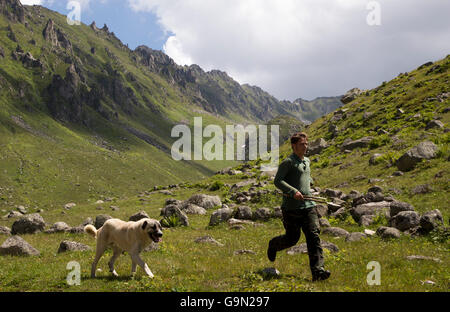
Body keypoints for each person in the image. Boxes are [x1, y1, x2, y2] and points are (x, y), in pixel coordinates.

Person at [267, 132, 330, 281]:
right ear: (294, 146)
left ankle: (318, 272)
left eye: (306, 143)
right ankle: (274, 244)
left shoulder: (307, 161)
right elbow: (278, 181)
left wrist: (310, 183)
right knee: (292, 239)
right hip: (291, 208)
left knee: (313, 236)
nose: (306, 146)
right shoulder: (288, 162)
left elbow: (305, 176)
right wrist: (293, 191)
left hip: (309, 206)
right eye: (302, 144)